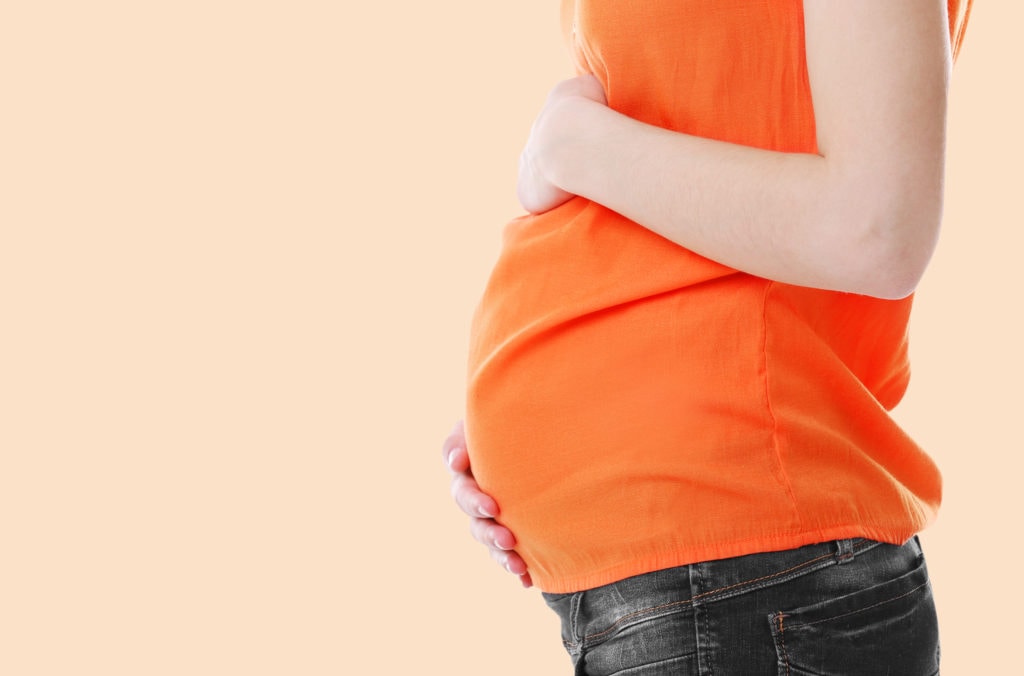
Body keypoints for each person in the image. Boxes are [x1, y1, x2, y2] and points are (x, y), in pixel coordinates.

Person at [443, 0, 974, 673]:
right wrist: (549, 405)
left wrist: (574, 144)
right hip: (695, 572)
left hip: (742, 570)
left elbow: (876, 229)